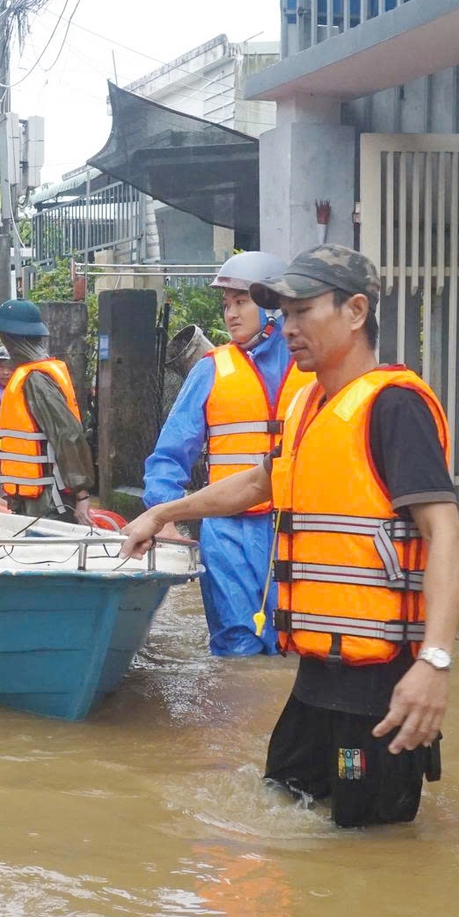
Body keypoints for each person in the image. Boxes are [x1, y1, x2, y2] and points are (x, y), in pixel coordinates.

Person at [121, 245, 459, 829]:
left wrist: (434, 663)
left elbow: (447, 537)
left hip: (380, 686)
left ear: (355, 312)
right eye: (283, 314)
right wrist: (162, 513)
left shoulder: (394, 407)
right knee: (280, 805)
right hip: (317, 678)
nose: (290, 327)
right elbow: (259, 481)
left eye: (303, 311)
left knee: (372, 854)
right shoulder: (308, 402)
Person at [143, 251, 305, 656]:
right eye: (227, 304)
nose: (231, 314)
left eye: (241, 302)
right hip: (227, 529)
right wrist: (163, 514)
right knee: (237, 642)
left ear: (272, 304)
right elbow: (169, 455)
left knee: (298, 640)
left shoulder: (313, 367)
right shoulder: (211, 369)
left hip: (295, 527)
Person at [0, 298, 94, 522]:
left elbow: (67, 434)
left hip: (49, 501)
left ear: (10, 338)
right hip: (32, 500)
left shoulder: (35, 379)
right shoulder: (29, 375)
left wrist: (82, 494)